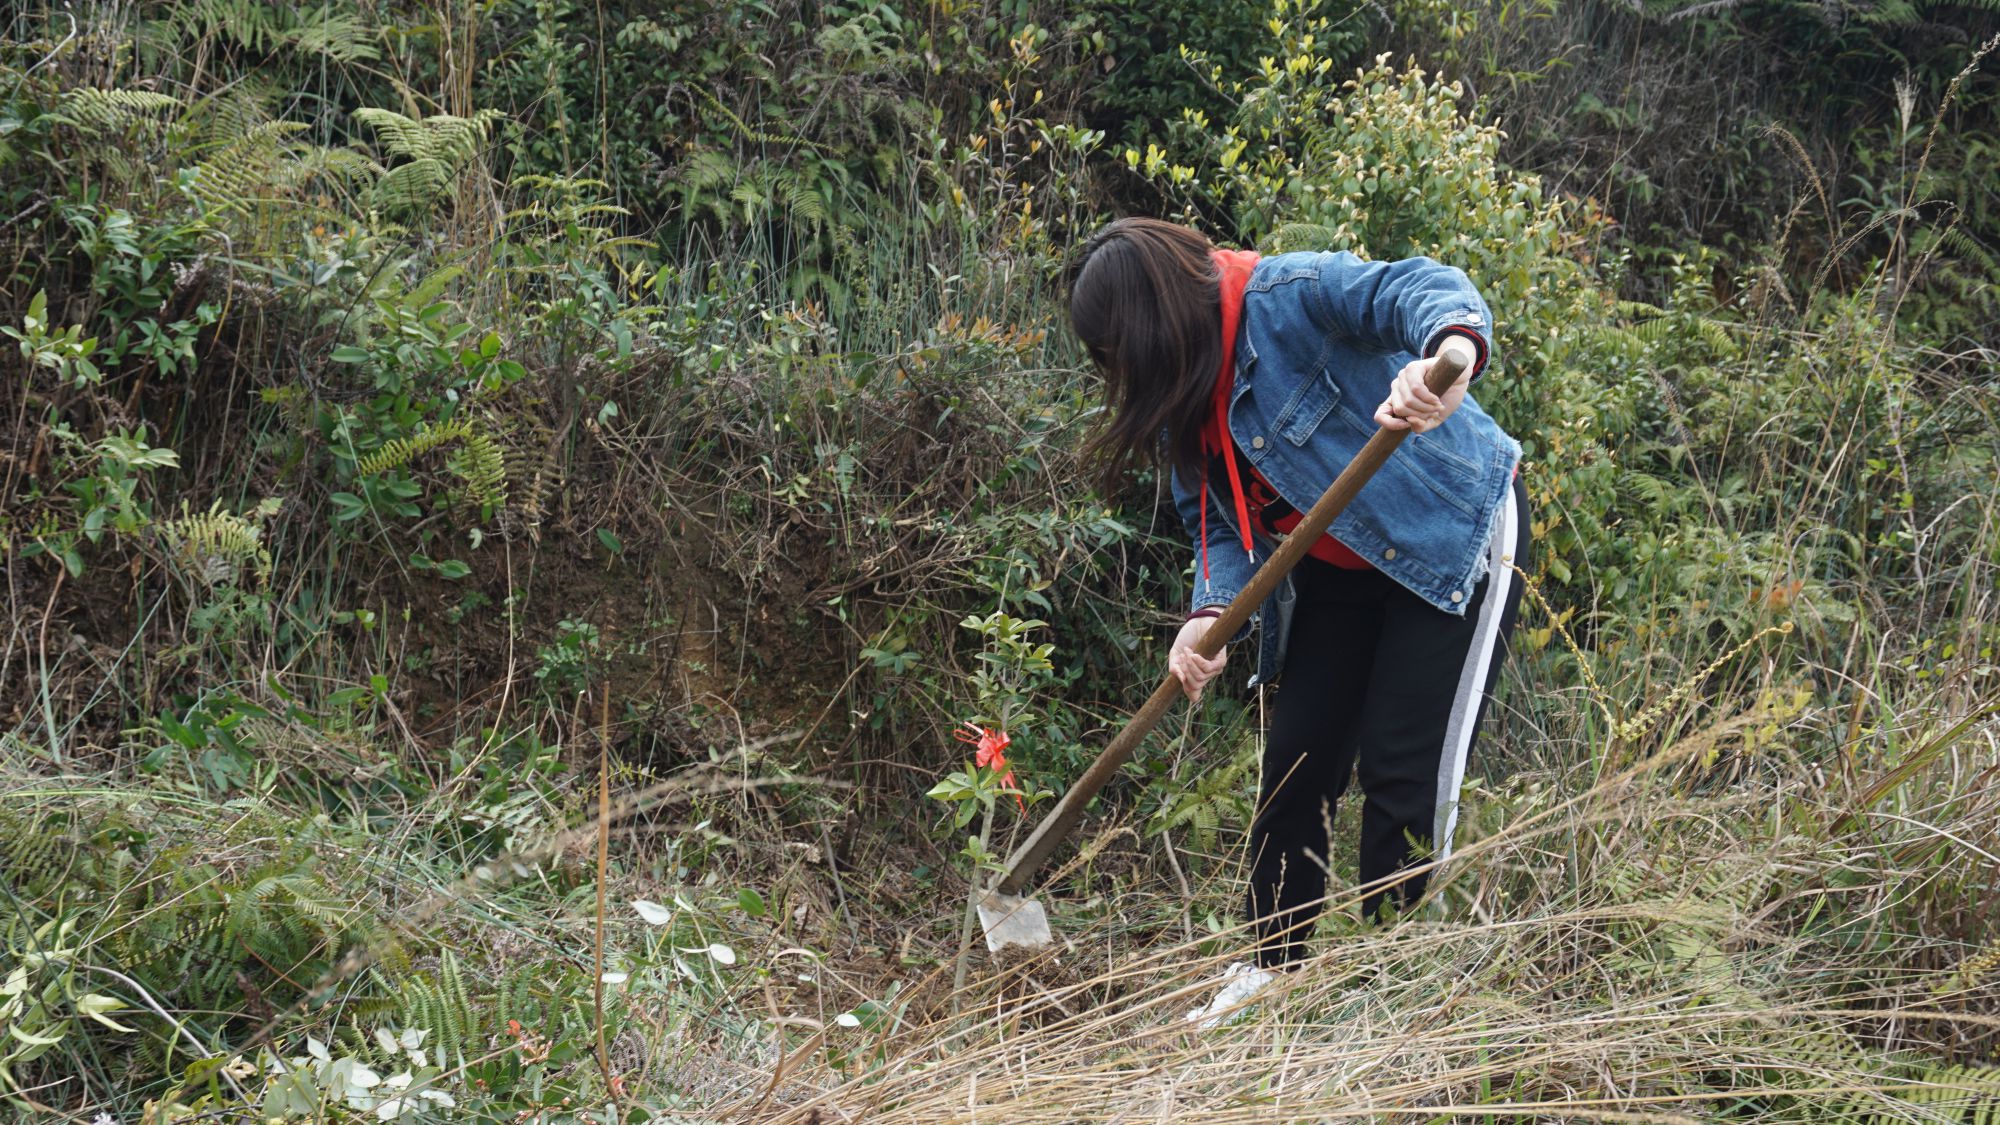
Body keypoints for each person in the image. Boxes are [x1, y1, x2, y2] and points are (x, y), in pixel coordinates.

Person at [1063, 218, 1529, 1024]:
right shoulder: (1184, 396)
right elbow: (1215, 522)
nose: (1119, 377)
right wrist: (1209, 612)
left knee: (1400, 772)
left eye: (1117, 356)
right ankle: (1270, 970)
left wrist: (1446, 361)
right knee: (1295, 764)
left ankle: (1398, 990)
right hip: (1341, 567)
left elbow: (1423, 289)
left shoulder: (1286, 296)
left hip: (1449, 541)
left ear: (1151, 327)